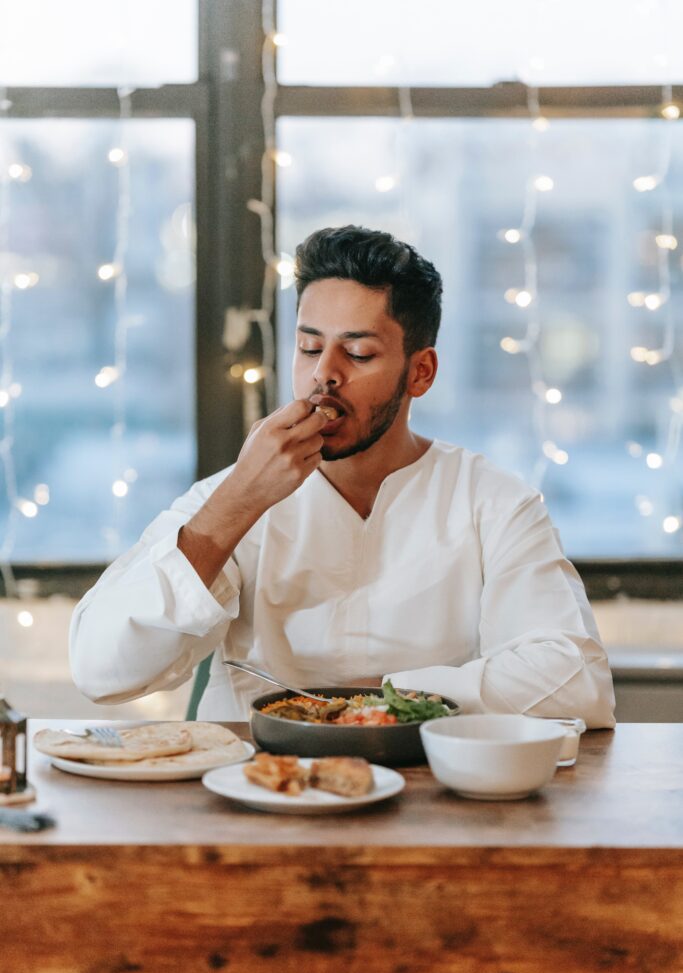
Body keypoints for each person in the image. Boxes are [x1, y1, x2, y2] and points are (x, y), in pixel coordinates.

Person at [70, 225, 616, 728]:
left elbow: (578, 683)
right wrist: (238, 500)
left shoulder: (491, 501)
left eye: (357, 352)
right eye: (309, 347)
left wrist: (383, 700)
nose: (323, 373)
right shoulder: (231, 493)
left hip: (429, 794)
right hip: (254, 794)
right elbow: (101, 670)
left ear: (419, 372)